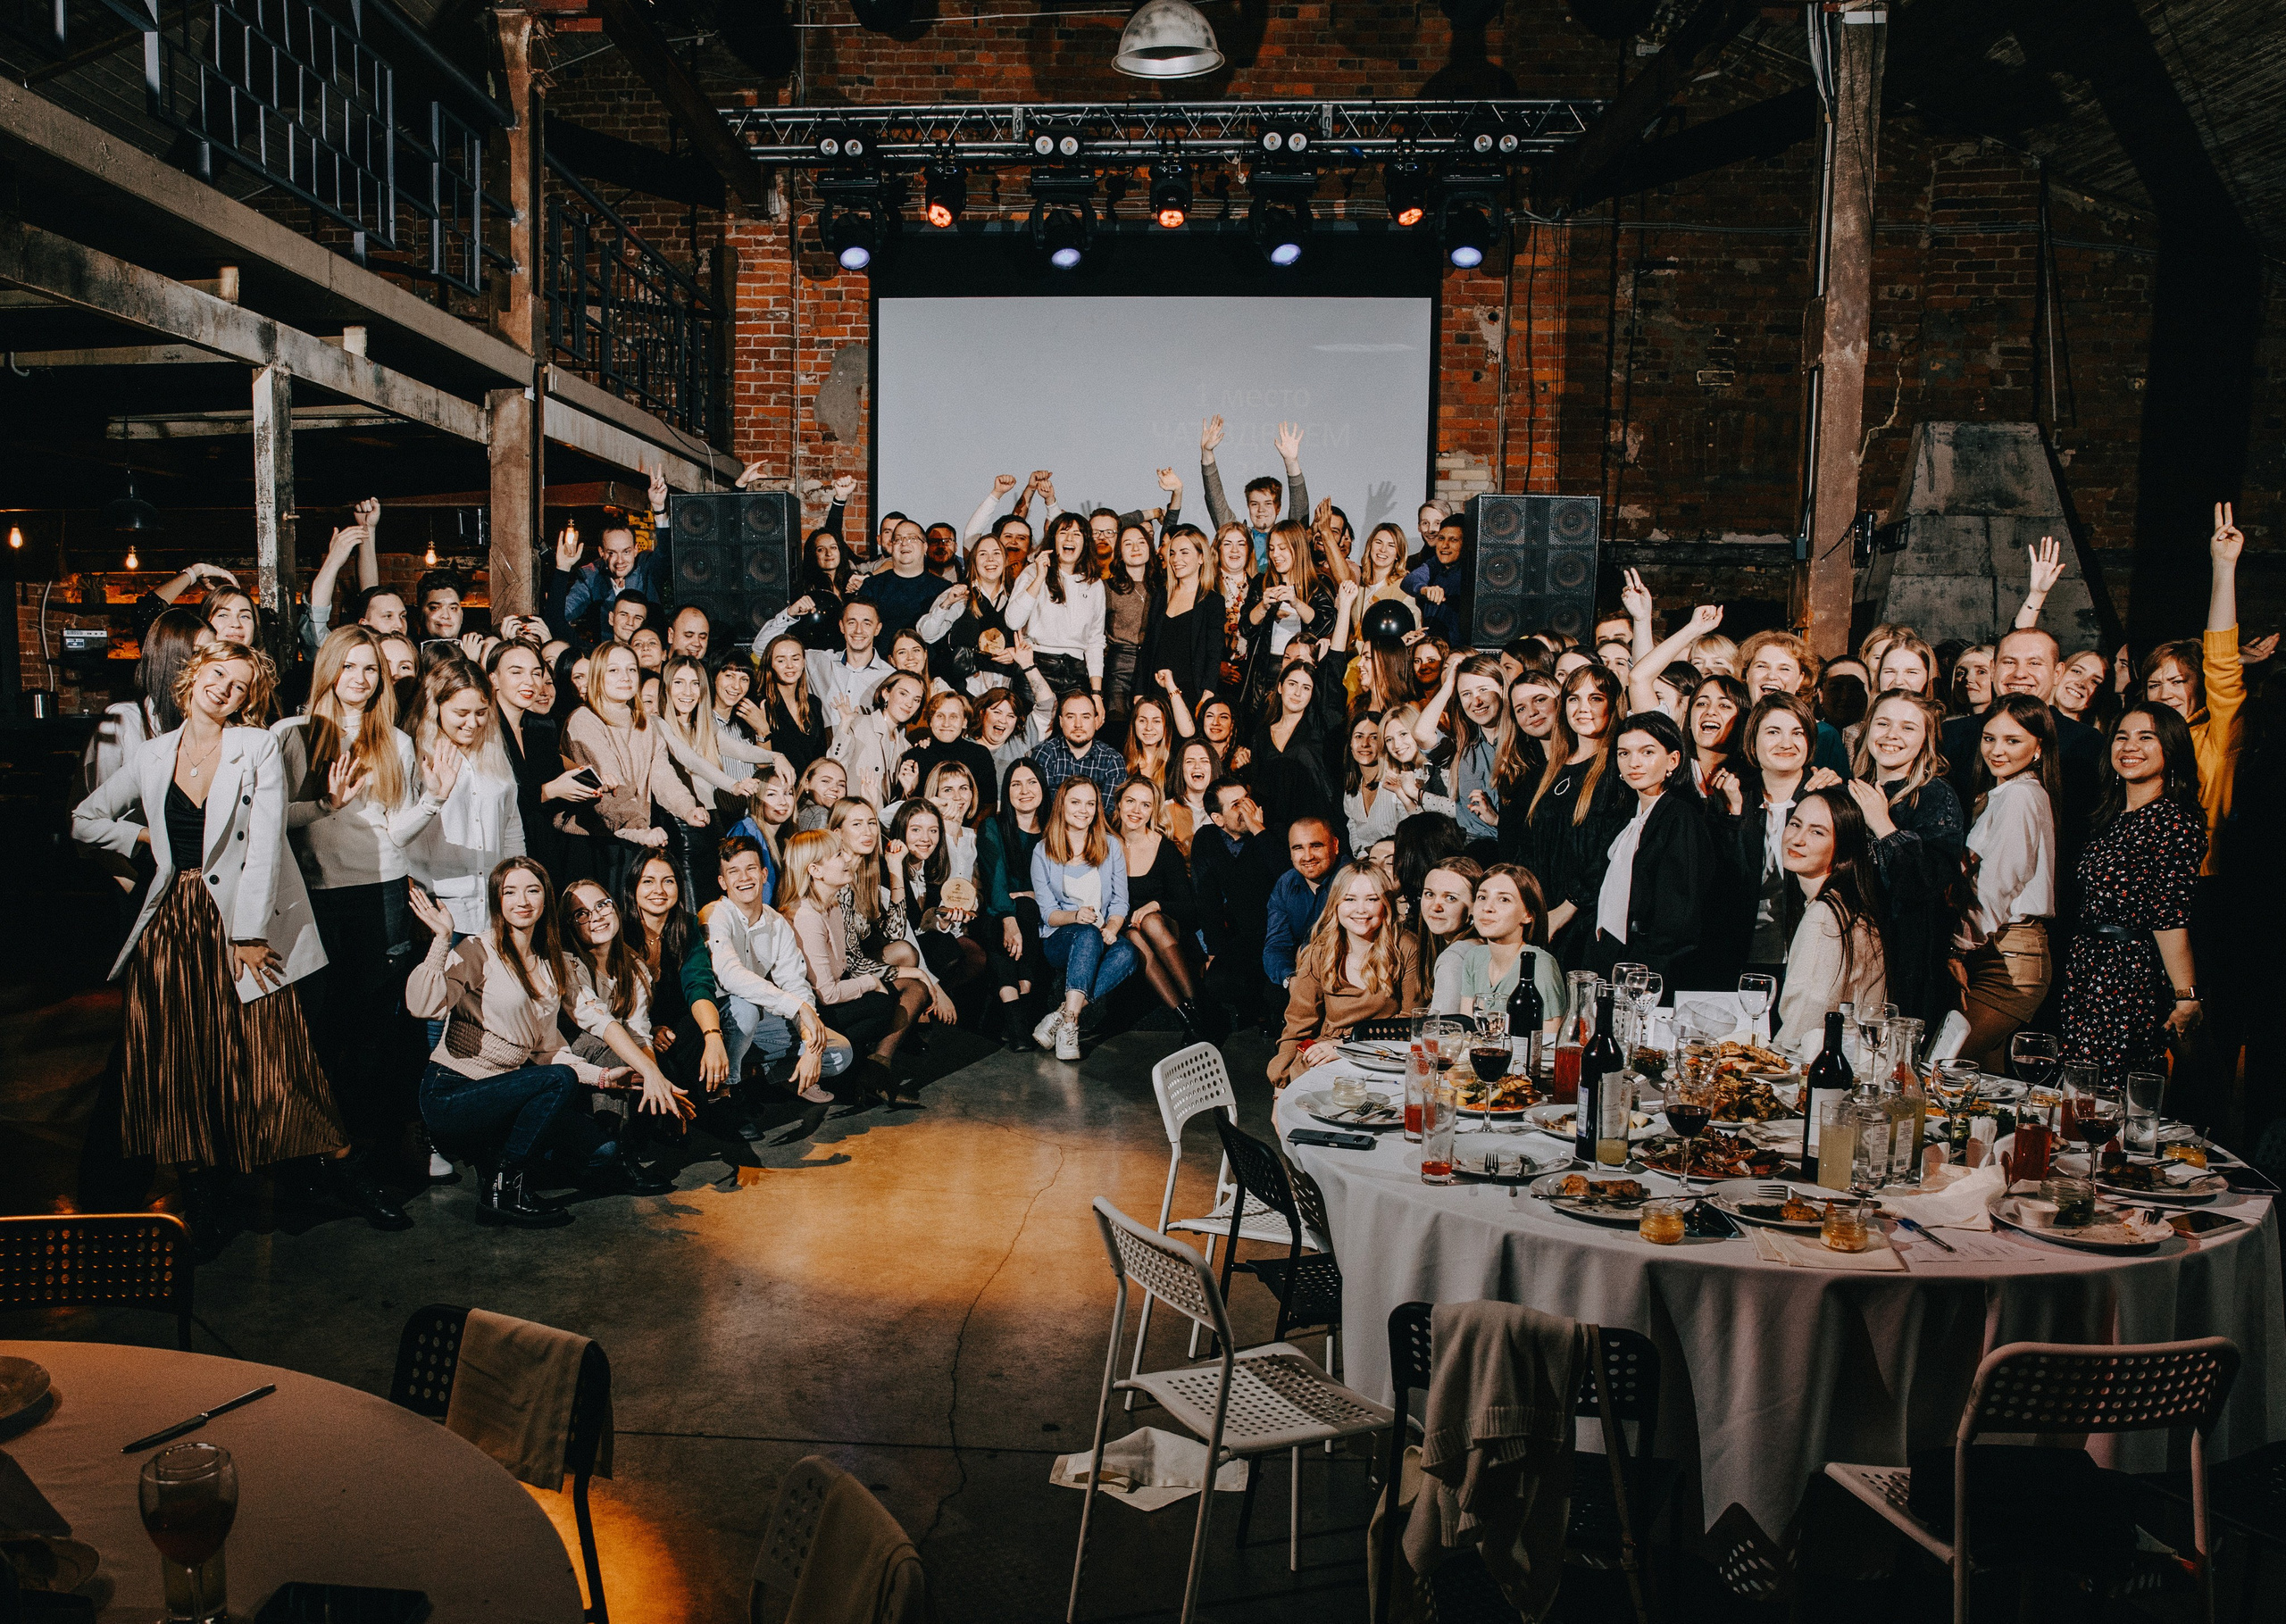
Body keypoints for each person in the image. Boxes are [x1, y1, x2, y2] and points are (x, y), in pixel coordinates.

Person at [72, 640, 381, 1254]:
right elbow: (85, 817)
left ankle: (334, 1179)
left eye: (239, 685)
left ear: (249, 698)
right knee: (183, 1064)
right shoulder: (153, 754)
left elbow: (266, 842)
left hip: (240, 927)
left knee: (274, 1059)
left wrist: (247, 933)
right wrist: (141, 840)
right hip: (171, 928)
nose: (225, 689)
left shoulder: (255, 747)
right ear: (191, 679)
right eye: (217, 674)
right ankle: (205, 1202)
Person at [274, 626, 451, 1197]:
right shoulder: (292, 736)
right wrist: (326, 805)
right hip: (316, 896)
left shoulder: (394, 742)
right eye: (349, 666)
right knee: (323, 1030)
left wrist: (434, 799)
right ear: (328, 670)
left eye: (370, 668)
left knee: (377, 1033)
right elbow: (275, 824)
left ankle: (372, 1168)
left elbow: (394, 833)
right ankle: (324, 1158)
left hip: (381, 892)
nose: (360, 678)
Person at [405, 859, 630, 1227]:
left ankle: (496, 1159)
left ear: (545, 898)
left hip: (505, 1098)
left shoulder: (548, 965)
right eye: (509, 891)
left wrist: (603, 1078)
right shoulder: (478, 950)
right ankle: (503, 1189)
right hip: (453, 1094)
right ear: (497, 900)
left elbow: (550, 1053)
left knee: (603, 1152)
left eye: (532, 890)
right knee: (559, 1080)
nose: (522, 900)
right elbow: (423, 1006)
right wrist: (443, 941)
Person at [2061, 704, 2207, 1083]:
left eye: (2147, 737)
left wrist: (2186, 995)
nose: (2130, 746)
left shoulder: (2174, 820)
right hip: (2087, 967)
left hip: (2127, 975)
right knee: (2079, 1089)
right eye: (2122, 736)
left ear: (2171, 749)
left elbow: (2170, 916)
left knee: (2110, 1094)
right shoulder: (2112, 817)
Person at [781, 828, 944, 1106]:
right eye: (837, 855)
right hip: (804, 1018)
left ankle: (874, 1071)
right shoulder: (807, 916)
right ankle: (844, 1072)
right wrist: (872, 983)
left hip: (833, 995)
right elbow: (826, 994)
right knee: (880, 1005)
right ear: (815, 871)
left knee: (910, 989)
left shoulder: (832, 905)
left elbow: (852, 961)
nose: (846, 859)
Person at [558, 877, 694, 1193]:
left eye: (602, 905)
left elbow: (639, 1031)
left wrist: (661, 1086)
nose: (597, 917)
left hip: (609, 1050)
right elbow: (601, 1024)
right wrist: (651, 1076)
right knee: (616, 1052)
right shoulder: (567, 963)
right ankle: (618, 1160)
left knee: (658, 1059)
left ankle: (637, 1133)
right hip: (565, 1059)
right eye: (582, 914)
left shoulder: (632, 964)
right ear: (571, 925)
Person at [1951, 694, 2061, 1069]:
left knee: (1946, 1066)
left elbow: (1998, 887)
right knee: (1986, 1081)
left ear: (2038, 747)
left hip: (2010, 957)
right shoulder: (2005, 794)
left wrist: (1957, 947)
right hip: (1996, 950)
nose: (1997, 750)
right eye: (1989, 738)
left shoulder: (2020, 796)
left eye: (2013, 741)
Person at [1844, 690, 1963, 1029]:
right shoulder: (1853, 788)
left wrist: (1882, 824)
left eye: (1908, 728)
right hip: (1850, 945)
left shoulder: (1936, 795)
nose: (1892, 735)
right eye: (1883, 723)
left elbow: (1925, 882)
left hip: (1904, 957)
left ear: (1926, 740)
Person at [705, 836, 848, 1105]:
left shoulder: (776, 923)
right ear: (723, 883)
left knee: (839, 1052)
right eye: (733, 872)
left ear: (763, 873)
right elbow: (729, 975)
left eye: (750, 868)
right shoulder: (714, 915)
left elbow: (796, 984)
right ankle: (726, 1092)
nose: (744, 878)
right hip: (719, 1022)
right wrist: (798, 1008)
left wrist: (810, 1043)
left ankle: (756, 1074)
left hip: (759, 1020)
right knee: (745, 1012)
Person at [1267, 862, 1427, 1087]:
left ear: (1386, 904)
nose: (1361, 909)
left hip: (1385, 1056)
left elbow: (1412, 1024)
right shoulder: (1318, 952)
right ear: (1335, 904)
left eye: (1372, 899)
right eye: (1350, 899)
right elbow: (1298, 1024)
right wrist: (1280, 1087)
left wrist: (1348, 1046)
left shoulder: (1406, 947)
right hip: (1325, 1057)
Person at [1584, 712, 1710, 990]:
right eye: (1624, 753)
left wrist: (1644, 971)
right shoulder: (1627, 816)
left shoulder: (1681, 816)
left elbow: (1679, 915)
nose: (1634, 763)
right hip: (1612, 958)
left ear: (1673, 760)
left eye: (1647, 752)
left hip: (1649, 971)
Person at [1705, 694, 1817, 992]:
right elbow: (1718, 884)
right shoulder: (1728, 796)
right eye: (1773, 732)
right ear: (1752, 741)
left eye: (1798, 732)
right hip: (1737, 956)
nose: (1786, 743)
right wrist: (1735, 816)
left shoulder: (1826, 799)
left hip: (1806, 957)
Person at [1771, 787, 1890, 1059]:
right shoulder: (1846, 904)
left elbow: (1803, 1024)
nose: (1797, 839)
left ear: (1842, 848)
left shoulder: (1825, 916)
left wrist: (1769, 1061)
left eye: (1817, 832)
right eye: (1795, 824)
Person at [1028, 776, 1139, 1060]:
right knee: (1085, 932)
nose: (1083, 810)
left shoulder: (1111, 846)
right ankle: (1071, 1026)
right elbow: (1048, 915)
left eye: (1090, 803)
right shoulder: (1043, 851)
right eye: (1076, 802)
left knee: (1127, 952)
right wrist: (1076, 916)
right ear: (1062, 805)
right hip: (1060, 940)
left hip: (1100, 931)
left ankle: (1064, 1014)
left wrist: (1113, 928)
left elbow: (1120, 901)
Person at [1523, 663, 1624, 967]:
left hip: (1582, 922)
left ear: (1612, 705)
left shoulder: (1616, 771)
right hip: (1541, 915)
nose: (1583, 708)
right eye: (1574, 698)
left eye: (1596, 698)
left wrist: (1566, 910)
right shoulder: (1552, 769)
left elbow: (1609, 853)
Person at [1113, 776, 1214, 1038]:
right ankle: (1190, 1020)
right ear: (1119, 804)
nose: (1136, 811)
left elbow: (1189, 908)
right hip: (1125, 930)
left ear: (1153, 811)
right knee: (1134, 934)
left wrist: (1154, 905)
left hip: (1167, 928)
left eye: (1145, 805)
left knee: (1150, 922)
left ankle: (1199, 1007)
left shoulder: (1165, 848)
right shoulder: (1106, 845)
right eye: (1130, 801)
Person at [1428, 862, 1564, 1026]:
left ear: (1527, 915)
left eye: (1504, 899)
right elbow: (1468, 1032)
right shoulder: (1474, 957)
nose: (1487, 907)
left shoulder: (1540, 965)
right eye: (1482, 897)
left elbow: (1548, 1044)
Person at [979, 759, 1052, 1048]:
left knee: (1028, 907)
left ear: (1042, 787)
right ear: (1006, 791)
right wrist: (1009, 919)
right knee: (1018, 913)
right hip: (996, 914)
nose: (1024, 790)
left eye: (1031, 782)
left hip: (1039, 914)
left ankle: (1013, 1018)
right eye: (1016, 784)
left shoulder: (1052, 830)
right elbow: (995, 880)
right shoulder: (993, 826)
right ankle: (1022, 1011)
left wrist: (1027, 896)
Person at [750, 598, 896, 736]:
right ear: (841, 626)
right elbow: (762, 648)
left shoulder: (890, 677)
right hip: (824, 757)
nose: (858, 630)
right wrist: (789, 614)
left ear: (877, 629)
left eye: (867, 623)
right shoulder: (819, 662)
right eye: (851, 622)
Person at [1416, 652, 1510, 861]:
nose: (1476, 701)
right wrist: (1449, 686)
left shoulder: (1522, 745)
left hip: (1506, 851)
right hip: (1468, 851)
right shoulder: (1465, 747)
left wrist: (1497, 820)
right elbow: (1422, 733)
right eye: (1466, 694)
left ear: (1503, 690)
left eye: (1483, 690)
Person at [886, 799, 987, 991]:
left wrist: (945, 921)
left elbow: (925, 924)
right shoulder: (890, 872)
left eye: (933, 830)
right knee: (947, 950)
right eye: (916, 830)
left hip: (926, 948)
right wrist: (935, 987)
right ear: (901, 831)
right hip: (899, 954)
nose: (926, 838)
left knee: (969, 955)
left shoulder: (933, 869)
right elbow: (902, 934)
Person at [1005, 511, 1105, 700]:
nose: (1070, 538)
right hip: (1036, 664)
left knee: (1073, 729)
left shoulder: (1094, 584)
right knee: (1032, 729)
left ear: (1085, 543)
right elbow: (1013, 621)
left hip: (1076, 671)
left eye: (1077, 534)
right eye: (1063, 532)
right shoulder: (1031, 573)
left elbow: (1095, 641)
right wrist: (1040, 577)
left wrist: (1097, 693)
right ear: (1053, 540)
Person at [1247, 651, 1347, 838]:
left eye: (1306, 688)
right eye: (1292, 684)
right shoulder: (1261, 736)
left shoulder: (1320, 728)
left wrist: (1341, 620)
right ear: (1280, 687)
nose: (1298, 693)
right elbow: (1259, 790)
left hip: (1317, 831)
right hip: (1276, 833)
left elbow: (1334, 667)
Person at [1239, 522, 1336, 713]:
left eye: (1282, 548)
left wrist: (1296, 603)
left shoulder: (1318, 584)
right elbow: (1245, 628)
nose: (1275, 555)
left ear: (1298, 548)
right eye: (1272, 548)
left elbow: (1326, 625)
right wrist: (1263, 606)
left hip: (1302, 672)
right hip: (1265, 672)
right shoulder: (1262, 582)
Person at [1199, 413, 1309, 570]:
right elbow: (1216, 501)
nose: (1261, 510)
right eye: (1254, 504)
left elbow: (1300, 509)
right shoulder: (1240, 537)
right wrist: (1207, 453)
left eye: (1268, 503)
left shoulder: (1289, 537)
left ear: (1278, 507)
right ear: (1248, 506)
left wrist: (1291, 462)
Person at [1139, 524, 1225, 714]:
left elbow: (1214, 653)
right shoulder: (1162, 595)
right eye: (1172, 553)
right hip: (1156, 692)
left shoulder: (1213, 602)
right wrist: (1139, 692)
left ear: (1201, 557)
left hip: (1191, 695)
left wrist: (1208, 693)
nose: (1176, 559)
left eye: (1184, 553)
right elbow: (1147, 648)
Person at [1264, 815, 1341, 990]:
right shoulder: (1286, 883)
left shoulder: (1351, 878)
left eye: (1316, 846)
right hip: (1301, 974)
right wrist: (1291, 980)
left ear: (1335, 845)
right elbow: (1276, 945)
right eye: (1298, 848)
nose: (1308, 856)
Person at [831, 670, 925, 808]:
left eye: (916, 700)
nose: (909, 704)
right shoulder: (859, 724)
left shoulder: (906, 747)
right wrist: (845, 725)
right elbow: (833, 767)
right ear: (885, 693)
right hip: (850, 816)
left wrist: (909, 790)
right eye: (903, 694)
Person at [756, 632, 832, 779]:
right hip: (778, 791)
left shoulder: (814, 703)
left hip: (809, 792)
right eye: (781, 660)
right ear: (770, 664)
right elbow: (761, 763)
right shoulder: (761, 703)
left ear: (804, 662)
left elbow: (819, 757)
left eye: (795, 658)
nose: (790, 665)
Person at [905, 692, 997, 813]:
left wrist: (971, 831)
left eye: (953, 716)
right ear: (930, 721)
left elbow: (989, 805)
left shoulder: (980, 756)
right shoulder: (914, 757)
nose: (946, 723)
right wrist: (909, 792)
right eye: (940, 716)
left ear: (964, 721)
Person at [1030, 687, 1126, 803]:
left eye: (1085, 717)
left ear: (1096, 721)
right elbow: (1043, 806)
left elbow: (1108, 811)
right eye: (1070, 717)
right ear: (1061, 721)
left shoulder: (1112, 760)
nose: (1078, 724)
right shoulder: (1045, 754)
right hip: (1053, 821)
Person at [853, 519, 947, 636]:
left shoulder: (943, 589)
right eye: (898, 539)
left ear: (925, 547)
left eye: (912, 538)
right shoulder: (872, 586)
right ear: (892, 547)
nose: (904, 543)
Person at [1102, 522, 1158, 720]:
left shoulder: (1163, 587)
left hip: (1153, 664)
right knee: (1117, 725)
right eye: (1128, 544)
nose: (1135, 548)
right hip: (1119, 666)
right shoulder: (1107, 588)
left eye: (1141, 542)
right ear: (1119, 552)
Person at [1401, 512, 1468, 646]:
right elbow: (1408, 581)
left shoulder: (1467, 575)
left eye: (1453, 540)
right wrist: (1425, 590)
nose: (1445, 545)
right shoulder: (1436, 563)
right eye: (1441, 538)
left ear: (1465, 544)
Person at [1415, 854, 1482, 966]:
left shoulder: (1455, 959)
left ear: (1474, 907)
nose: (1435, 907)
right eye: (1429, 894)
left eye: (1451, 898)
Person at [921, 761, 981, 880]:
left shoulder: (973, 838)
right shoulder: (924, 836)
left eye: (963, 788)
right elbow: (884, 818)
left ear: (971, 793)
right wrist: (928, 806)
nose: (957, 796)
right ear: (935, 794)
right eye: (948, 790)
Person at [791, 757, 847, 833]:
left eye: (841, 785)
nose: (835, 788)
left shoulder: (800, 811)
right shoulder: (820, 814)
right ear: (807, 783)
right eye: (825, 781)